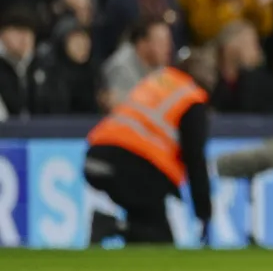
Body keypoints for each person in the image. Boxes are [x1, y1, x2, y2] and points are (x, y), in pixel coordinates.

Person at [83, 46, 217, 245]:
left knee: (145, 220)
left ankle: (120, 231)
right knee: (158, 238)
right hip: (131, 164)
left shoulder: (157, 81)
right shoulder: (191, 100)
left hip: (95, 155)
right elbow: (195, 160)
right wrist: (204, 213)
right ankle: (111, 226)